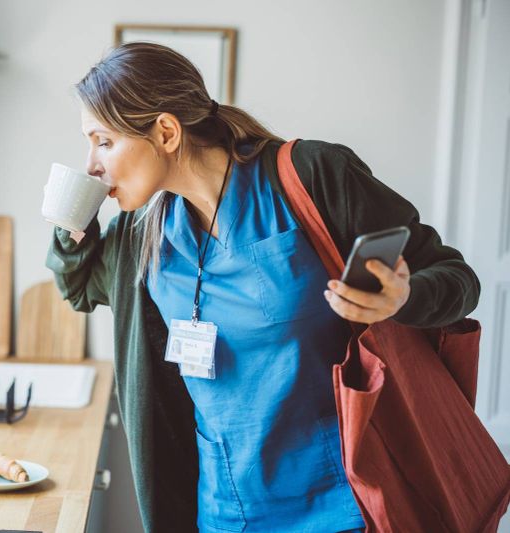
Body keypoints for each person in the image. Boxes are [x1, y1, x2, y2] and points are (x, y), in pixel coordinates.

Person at [46, 42, 480, 533]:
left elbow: (456, 279)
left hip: (344, 508)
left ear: (166, 132)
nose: (92, 164)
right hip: (222, 513)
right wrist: (71, 217)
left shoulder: (311, 178)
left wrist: (404, 299)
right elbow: (80, 289)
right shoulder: (145, 231)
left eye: (103, 142)